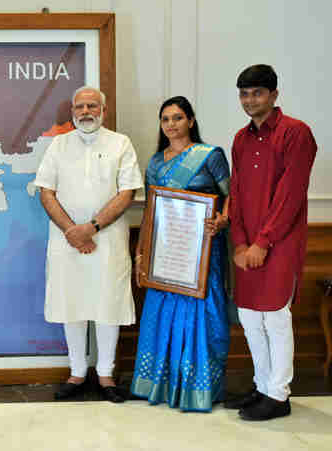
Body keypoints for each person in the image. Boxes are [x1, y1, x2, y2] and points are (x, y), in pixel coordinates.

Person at [34, 86, 143, 403]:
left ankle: (106, 374)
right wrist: (73, 231)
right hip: (66, 241)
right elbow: (46, 192)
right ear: (72, 113)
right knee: (72, 303)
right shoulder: (58, 145)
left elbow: (127, 193)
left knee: (108, 303)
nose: (85, 112)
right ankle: (77, 372)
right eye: (79, 107)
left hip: (107, 240)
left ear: (103, 110)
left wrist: (91, 228)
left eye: (92, 106)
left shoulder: (120, 144)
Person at [223, 64, 317, 421]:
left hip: (281, 243)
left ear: (274, 95)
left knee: (275, 316)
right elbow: (237, 192)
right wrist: (240, 243)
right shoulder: (240, 139)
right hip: (248, 246)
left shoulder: (296, 133)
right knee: (249, 317)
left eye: (257, 93)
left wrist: (262, 242)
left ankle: (279, 395)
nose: (250, 100)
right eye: (244, 94)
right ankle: (262, 386)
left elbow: (290, 195)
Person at [130, 96, 231, 412]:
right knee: (162, 314)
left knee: (205, 314)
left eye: (177, 118)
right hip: (166, 253)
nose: (171, 125)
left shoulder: (210, 156)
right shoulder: (156, 162)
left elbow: (232, 197)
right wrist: (141, 253)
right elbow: (150, 210)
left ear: (191, 120)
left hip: (202, 253)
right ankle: (160, 384)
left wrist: (223, 219)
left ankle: (199, 387)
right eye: (165, 119)